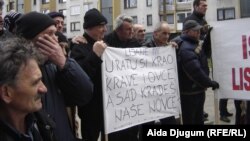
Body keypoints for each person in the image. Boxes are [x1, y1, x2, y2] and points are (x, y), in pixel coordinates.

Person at [16, 11, 93, 141]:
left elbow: (84, 94)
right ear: (30, 40)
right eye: (50, 34)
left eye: (55, 34)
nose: (56, 39)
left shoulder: (53, 66)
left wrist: (64, 63)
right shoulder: (15, 71)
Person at [0, 37, 57, 141]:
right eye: (35, 83)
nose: (44, 89)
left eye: (41, 80)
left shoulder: (41, 122)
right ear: (6, 93)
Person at [70, 8, 107, 141]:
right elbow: (80, 76)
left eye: (105, 25)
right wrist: (95, 54)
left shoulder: (103, 44)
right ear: (89, 28)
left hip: (106, 104)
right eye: (100, 26)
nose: (105, 29)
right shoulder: (79, 46)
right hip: (90, 107)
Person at [174, 20, 219, 124]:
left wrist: (208, 37)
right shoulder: (186, 48)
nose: (199, 32)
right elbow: (195, 71)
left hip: (195, 91)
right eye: (195, 31)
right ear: (186, 32)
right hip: (190, 94)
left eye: (199, 30)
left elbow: (204, 52)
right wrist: (210, 83)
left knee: (198, 119)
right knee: (193, 120)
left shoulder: (191, 43)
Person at [104, 14, 140, 141]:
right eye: (128, 29)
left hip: (131, 96)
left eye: (131, 28)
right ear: (118, 30)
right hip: (114, 98)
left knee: (131, 133)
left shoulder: (135, 42)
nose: (132, 31)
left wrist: (168, 47)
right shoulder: (106, 41)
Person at [184, 0, 212, 121]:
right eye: (203, 5)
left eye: (206, 5)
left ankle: (201, 111)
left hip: (203, 56)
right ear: (195, 6)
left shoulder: (203, 20)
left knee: (201, 94)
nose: (206, 7)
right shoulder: (190, 20)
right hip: (195, 57)